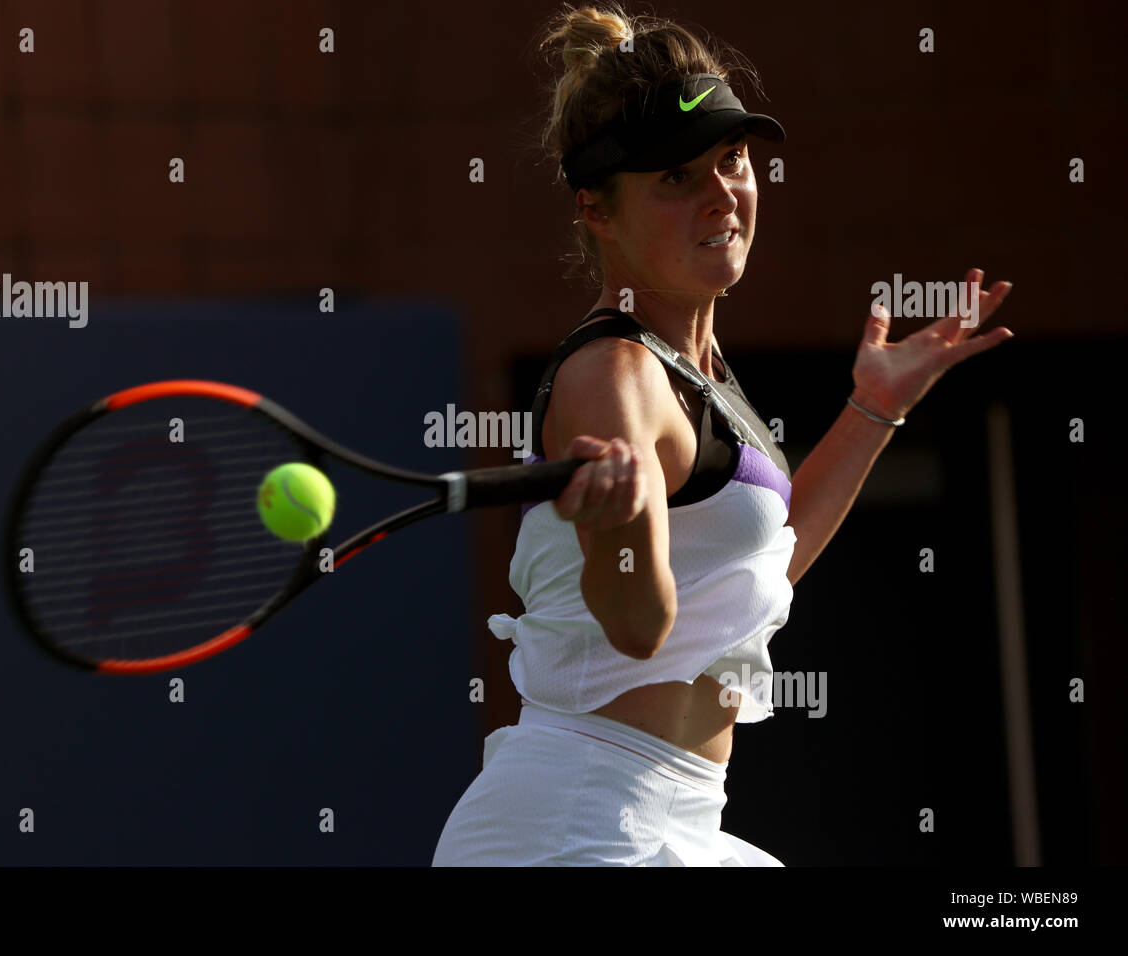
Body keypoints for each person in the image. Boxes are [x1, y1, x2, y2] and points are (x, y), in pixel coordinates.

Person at [432, 2, 1013, 866]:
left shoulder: (697, 368)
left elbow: (760, 564)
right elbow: (637, 629)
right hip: (576, 821)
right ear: (597, 212)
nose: (722, 196)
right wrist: (615, 534)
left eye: (733, 162)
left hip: (678, 817)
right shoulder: (614, 376)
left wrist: (873, 408)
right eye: (675, 178)